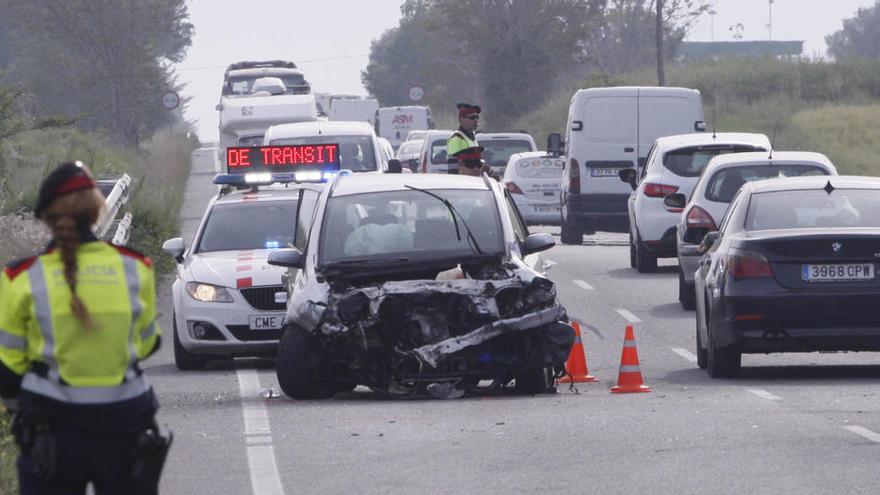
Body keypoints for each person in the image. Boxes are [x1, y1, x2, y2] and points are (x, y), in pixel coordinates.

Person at [0, 162, 168, 494]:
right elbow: (148, 344)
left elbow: (8, 369)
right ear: (97, 210)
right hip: (125, 428)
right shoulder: (136, 268)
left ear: (47, 216)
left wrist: (20, 413)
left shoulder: (20, 279)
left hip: (51, 432)